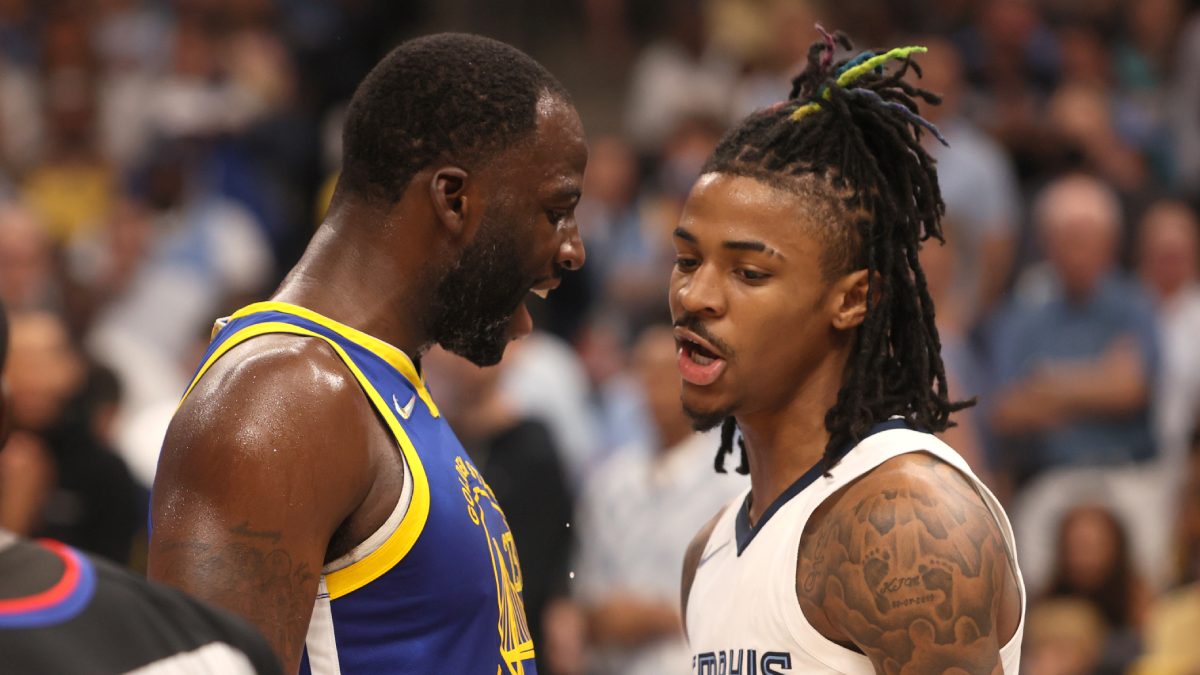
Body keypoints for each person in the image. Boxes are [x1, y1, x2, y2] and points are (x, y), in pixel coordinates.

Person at [147, 33, 587, 674]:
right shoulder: (284, 395)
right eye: (557, 210)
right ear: (454, 199)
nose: (574, 250)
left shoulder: (375, 388)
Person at [674, 33, 1025, 673]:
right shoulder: (708, 550)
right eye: (687, 260)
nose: (695, 296)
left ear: (853, 299)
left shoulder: (905, 523)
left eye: (748, 273)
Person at [0, 302, 282, 674]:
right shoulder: (204, 647)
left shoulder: (105, 469)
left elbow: (112, 572)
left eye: (46, 359)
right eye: (25, 360)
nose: (35, 376)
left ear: (73, 368)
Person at [573, 325, 746, 675]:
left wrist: (656, 617)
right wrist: (599, 618)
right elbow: (586, 591)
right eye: (645, 373)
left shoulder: (735, 478)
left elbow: (742, 600)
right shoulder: (611, 480)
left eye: (667, 374)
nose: (654, 387)